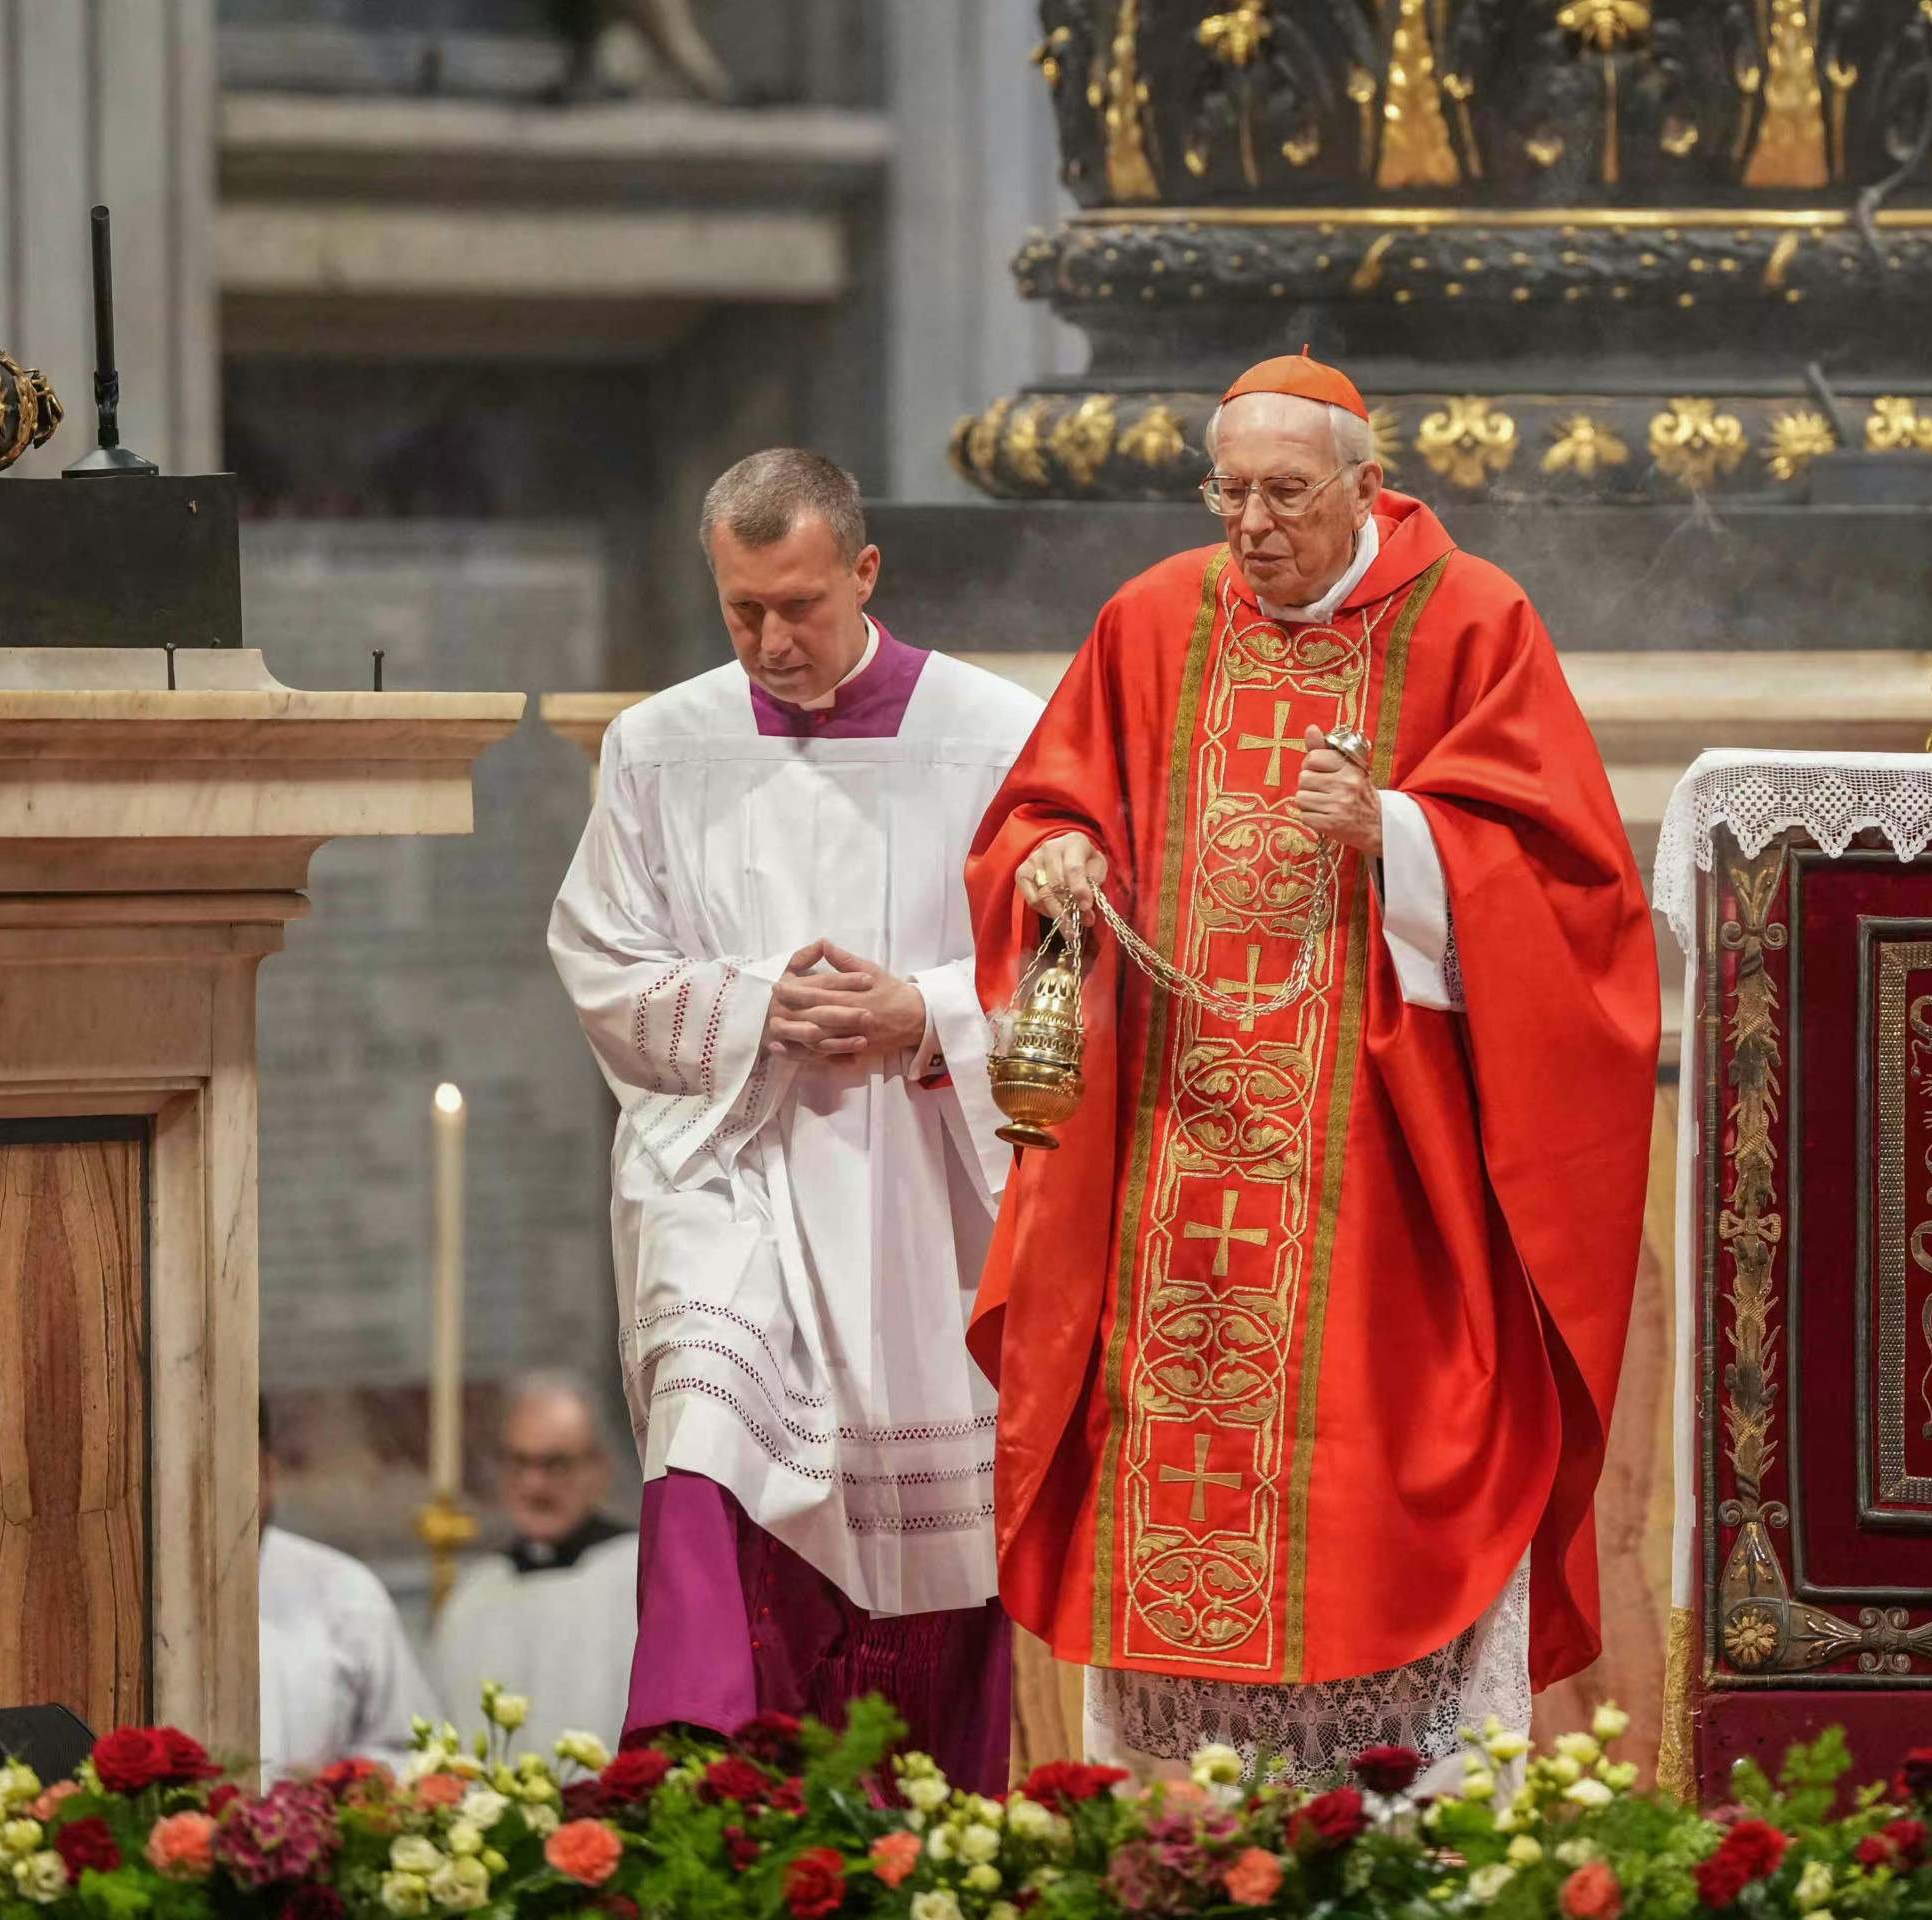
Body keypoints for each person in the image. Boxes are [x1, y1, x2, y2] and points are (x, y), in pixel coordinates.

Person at [965, 351, 1658, 1784]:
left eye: (1287, 493)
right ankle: (1185, 1845)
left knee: (1385, 1502)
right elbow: (1042, 803)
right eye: (1231, 493)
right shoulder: (1152, 622)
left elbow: (1579, 894)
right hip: (1170, 1175)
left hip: (1383, 1189)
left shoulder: (1471, 622)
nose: (1254, 524)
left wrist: (1401, 837)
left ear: (1367, 487)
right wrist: (1055, 857)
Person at [549, 448, 1041, 1791]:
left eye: (801, 607)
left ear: (866, 573)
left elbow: (1076, 969)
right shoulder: (660, 745)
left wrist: (927, 1013)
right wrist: (761, 1004)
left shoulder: (999, 735)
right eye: (743, 611)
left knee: (933, 1550)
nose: (773, 641)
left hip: (922, 1184)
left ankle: (919, 1825)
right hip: (734, 1172)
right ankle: (696, 1790)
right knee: (708, 1439)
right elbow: (602, 960)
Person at [424, 1373, 640, 1753]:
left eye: (554, 1465)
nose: (533, 1486)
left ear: (599, 1468)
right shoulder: (475, 1592)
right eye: (518, 1463)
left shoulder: (639, 1573)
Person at [258, 1401, 442, 1779]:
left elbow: (417, 1754)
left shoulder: (344, 1592)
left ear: (269, 1473)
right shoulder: (127, 1595)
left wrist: (340, 1785)